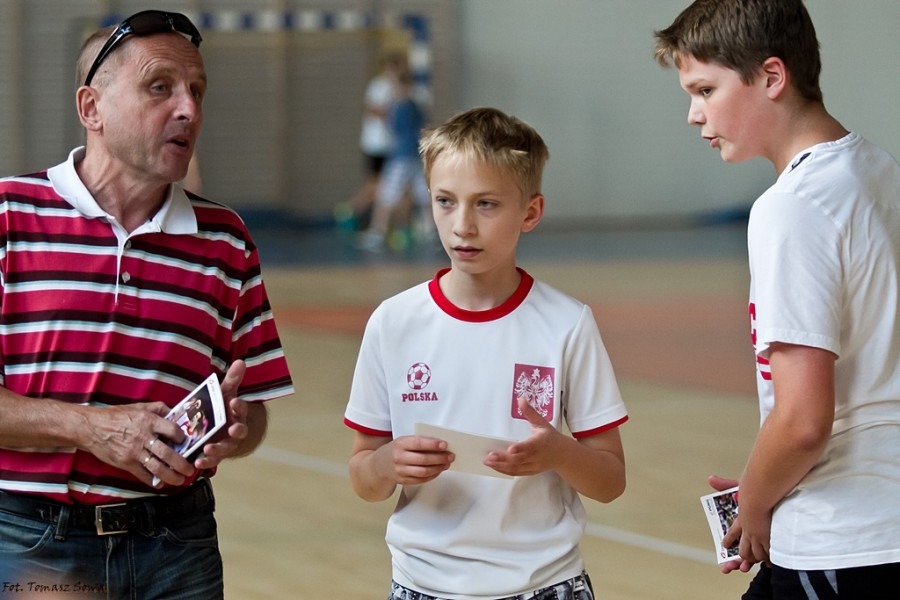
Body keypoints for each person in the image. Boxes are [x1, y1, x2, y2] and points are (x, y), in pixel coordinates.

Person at [0, 10, 294, 598]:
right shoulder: (10, 216)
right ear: (92, 109)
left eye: (197, 91)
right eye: (160, 87)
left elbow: (255, 413)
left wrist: (238, 428)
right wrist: (90, 429)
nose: (189, 108)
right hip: (31, 541)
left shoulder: (226, 242)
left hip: (176, 545)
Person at [655, 0, 900, 597]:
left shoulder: (791, 207)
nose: (693, 115)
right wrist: (762, 479)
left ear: (771, 77)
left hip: (841, 536)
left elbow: (802, 422)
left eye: (705, 89)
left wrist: (757, 503)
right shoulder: (877, 169)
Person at [344, 107, 628, 599]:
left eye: (486, 204)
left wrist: (558, 452)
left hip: (546, 584)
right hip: (421, 585)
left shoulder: (567, 323)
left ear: (531, 212)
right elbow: (364, 478)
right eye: (445, 201)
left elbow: (609, 481)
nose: (462, 226)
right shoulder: (393, 323)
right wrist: (387, 463)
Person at [355, 71, 433, 252]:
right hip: (415, 157)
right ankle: (431, 232)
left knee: (385, 196)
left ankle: (377, 233)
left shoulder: (402, 106)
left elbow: (396, 128)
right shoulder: (414, 106)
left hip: (401, 158)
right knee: (425, 197)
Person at [335, 52, 408, 231]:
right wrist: (393, 114)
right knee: (377, 184)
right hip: (376, 144)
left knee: (388, 186)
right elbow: (372, 110)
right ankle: (349, 210)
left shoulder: (399, 86)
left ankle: (386, 223)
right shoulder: (379, 85)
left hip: (391, 145)